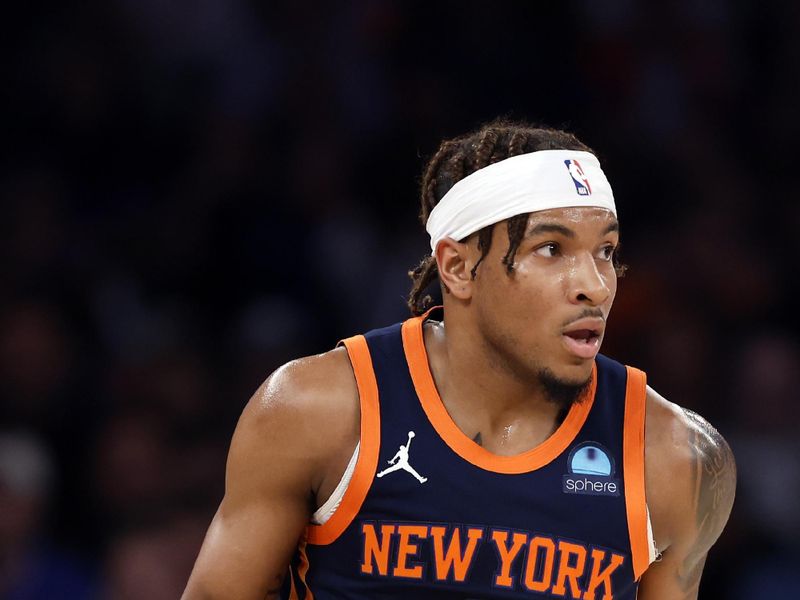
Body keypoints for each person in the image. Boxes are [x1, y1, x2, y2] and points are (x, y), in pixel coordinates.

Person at [182, 121, 736, 599]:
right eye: (552, 249)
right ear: (458, 267)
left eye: (606, 252)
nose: (594, 285)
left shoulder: (675, 457)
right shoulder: (318, 410)